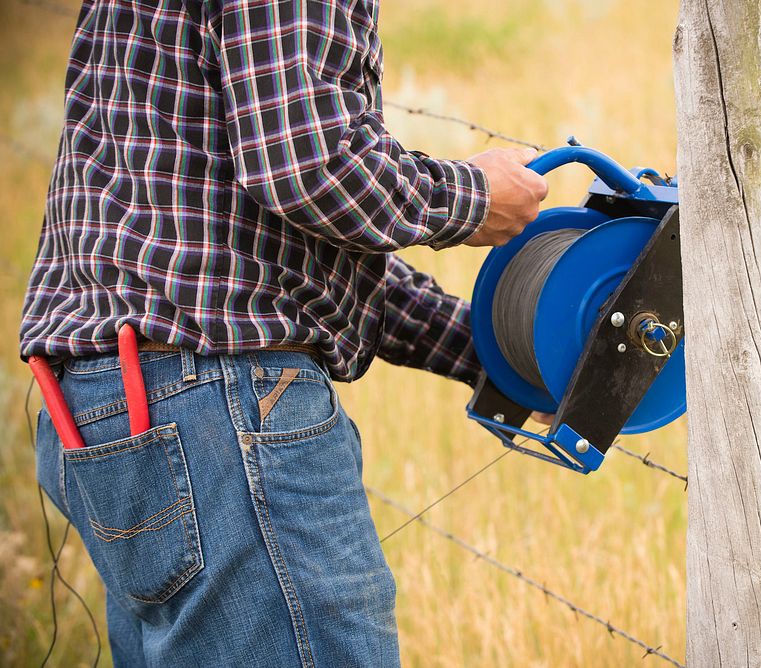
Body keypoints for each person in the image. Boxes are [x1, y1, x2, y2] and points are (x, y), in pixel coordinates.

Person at [20, 1, 548, 666]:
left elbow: (264, 255)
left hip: (116, 401)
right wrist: (469, 197)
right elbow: (303, 161)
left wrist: (497, 353)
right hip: (216, 411)